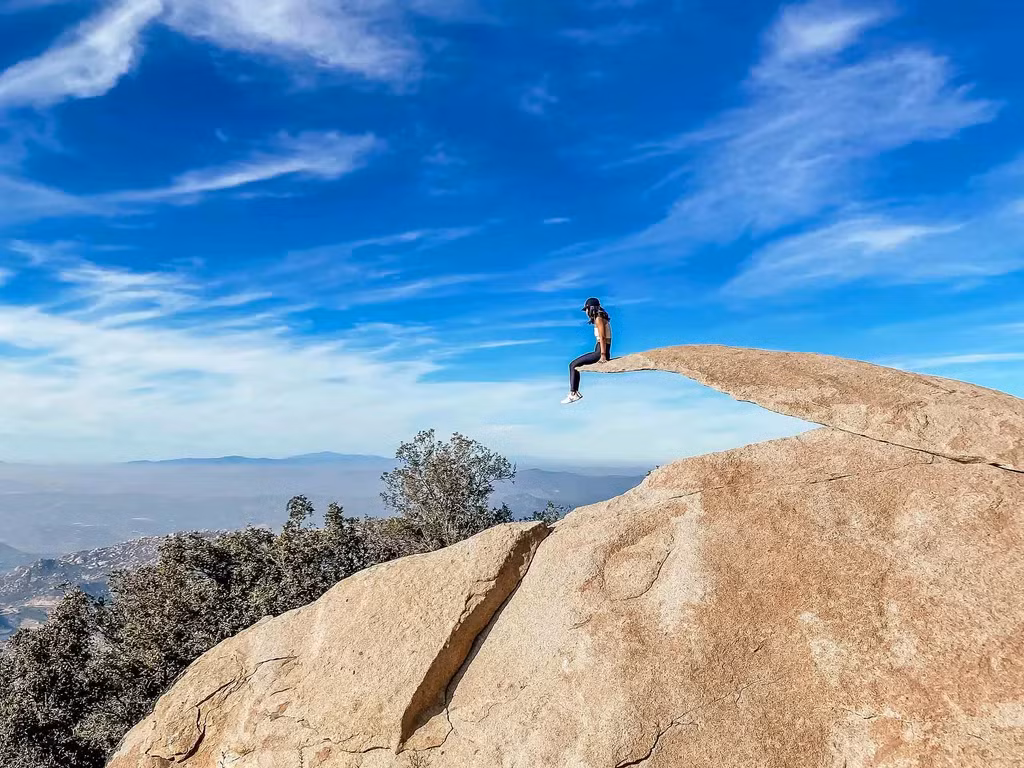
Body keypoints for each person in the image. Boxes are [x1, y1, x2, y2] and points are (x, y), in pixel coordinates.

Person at [562, 297, 612, 404]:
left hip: (600, 351)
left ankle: (573, 393)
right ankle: (574, 392)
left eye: (586, 309)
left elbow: (603, 338)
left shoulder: (599, 319)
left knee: (572, 365)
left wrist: (603, 356)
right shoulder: (600, 319)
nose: (586, 312)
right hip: (599, 349)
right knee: (575, 365)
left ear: (591, 308)